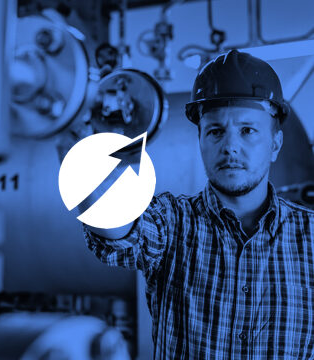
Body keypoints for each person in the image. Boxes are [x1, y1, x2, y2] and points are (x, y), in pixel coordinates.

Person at [82, 50, 314, 359]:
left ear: (274, 144)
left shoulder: (311, 236)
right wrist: (84, 146)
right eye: (215, 131)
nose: (230, 146)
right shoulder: (172, 223)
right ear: (201, 141)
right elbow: (118, 227)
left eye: (248, 130)